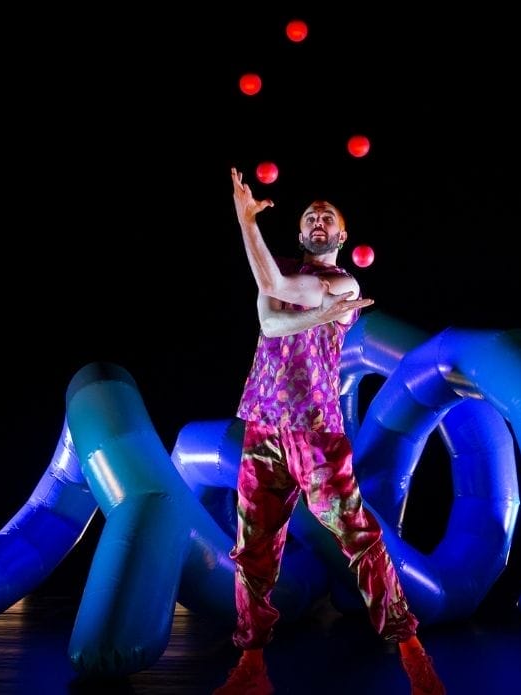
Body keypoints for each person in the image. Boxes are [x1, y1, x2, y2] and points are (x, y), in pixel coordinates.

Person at [215, 167, 446, 695]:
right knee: (253, 551)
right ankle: (251, 668)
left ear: (341, 238)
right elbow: (271, 320)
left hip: (316, 434)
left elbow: (275, 296)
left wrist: (246, 223)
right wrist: (247, 221)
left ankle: (411, 651)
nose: (318, 221)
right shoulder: (277, 271)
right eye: (310, 217)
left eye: (329, 219)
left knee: (359, 538)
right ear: (300, 234)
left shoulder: (344, 283)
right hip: (263, 431)